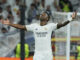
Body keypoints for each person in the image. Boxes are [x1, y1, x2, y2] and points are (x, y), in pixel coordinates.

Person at [0, 12, 77, 60]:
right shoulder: (34, 26)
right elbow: (21, 27)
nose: (42, 14)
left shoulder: (51, 26)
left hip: (47, 54)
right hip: (38, 55)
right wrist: (9, 24)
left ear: (47, 18)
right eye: (41, 13)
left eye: (44, 14)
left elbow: (62, 24)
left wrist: (70, 19)